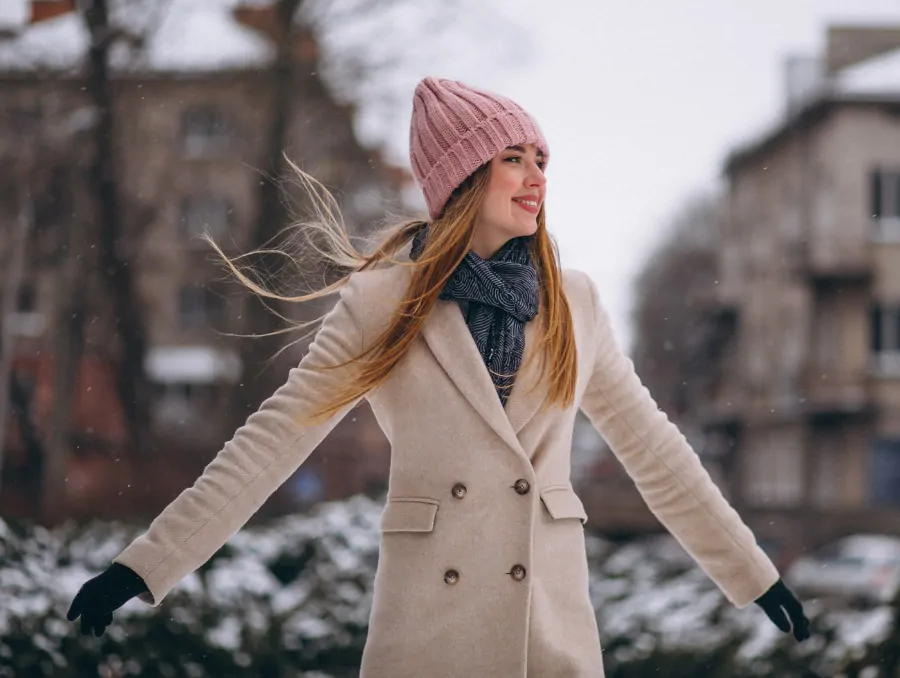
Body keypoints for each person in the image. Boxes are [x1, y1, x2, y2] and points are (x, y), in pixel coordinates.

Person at [67, 76, 809, 677]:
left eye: (541, 159)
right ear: (463, 177)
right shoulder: (382, 303)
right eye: (512, 159)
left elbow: (654, 449)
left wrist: (752, 573)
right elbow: (273, 441)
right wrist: (146, 567)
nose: (535, 179)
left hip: (546, 635)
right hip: (429, 636)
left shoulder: (574, 302)